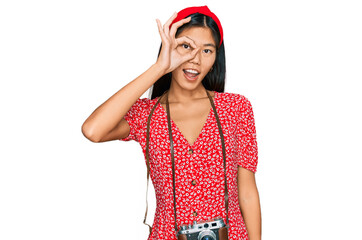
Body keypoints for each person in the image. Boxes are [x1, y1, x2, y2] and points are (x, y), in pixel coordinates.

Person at [81, 5, 261, 240]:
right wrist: (160, 67)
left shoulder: (236, 108)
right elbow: (92, 130)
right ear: (169, 48)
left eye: (207, 51)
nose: (195, 59)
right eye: (185, 46)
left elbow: (247, 192)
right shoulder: (147, 115)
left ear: (216, 57)